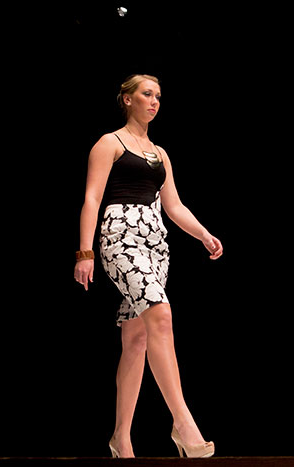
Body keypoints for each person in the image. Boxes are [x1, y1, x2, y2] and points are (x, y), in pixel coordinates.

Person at [73, 74, 223, 458]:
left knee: (136, 340)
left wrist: (203, 234)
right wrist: (85, 252)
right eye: (146, 94)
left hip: (156, 244)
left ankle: (121, 438)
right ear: (127, 99)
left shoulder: (160, 153)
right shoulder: (110, 143)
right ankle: (183, 422)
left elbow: (174, 205)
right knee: (161, 314)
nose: (154, 101)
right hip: (121, 237)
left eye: (158, 96)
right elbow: (92, 198)